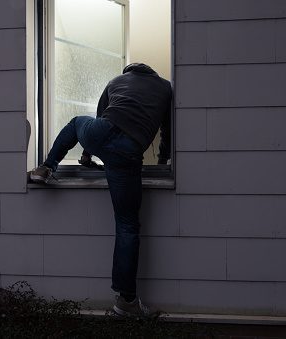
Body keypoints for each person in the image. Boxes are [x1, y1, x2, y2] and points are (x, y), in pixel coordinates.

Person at [30, 63, 172, 316]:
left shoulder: (117, 81)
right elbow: (168, 131)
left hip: (101, 133)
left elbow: (100, 116)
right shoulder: (165, 88)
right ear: (151, 73)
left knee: (76, 123)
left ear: (129, 72)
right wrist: (163, 162)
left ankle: (46, 167)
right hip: (128, 151)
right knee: (127, 225)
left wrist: (86, 155)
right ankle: (126, 301)